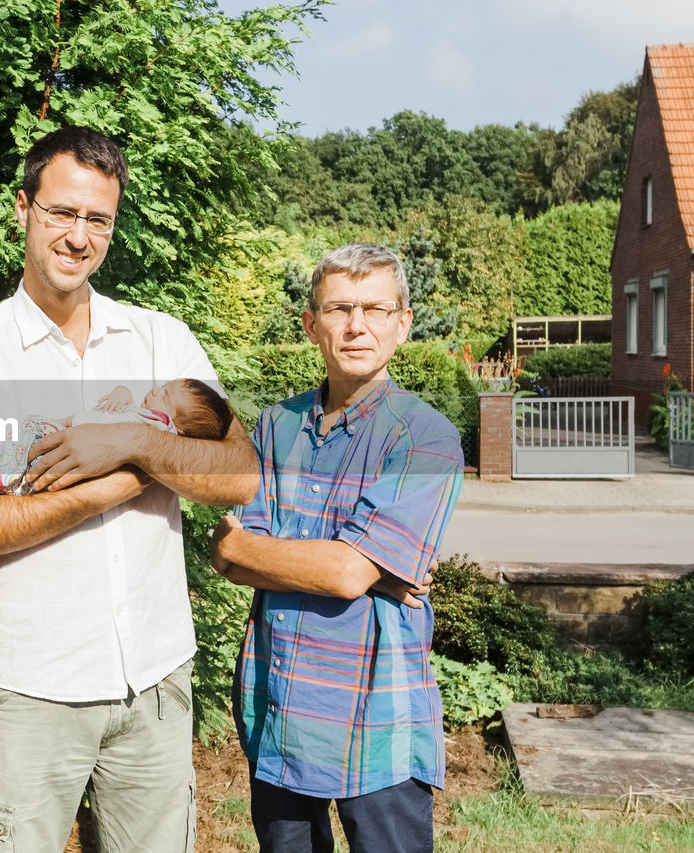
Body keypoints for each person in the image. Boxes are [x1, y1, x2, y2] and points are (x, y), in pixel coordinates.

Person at [0, 126, 260, 853]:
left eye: (97, 218)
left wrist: (131, 439)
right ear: (23, 209)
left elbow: (240, 475)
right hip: (31, 693)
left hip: (155, 686)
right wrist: (114, 484)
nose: (78, 236)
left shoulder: (159, 340)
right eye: (61, 213)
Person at [210, 242, 463, 853]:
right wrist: (366, 567)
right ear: (311, 324)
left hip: (377, 726)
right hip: (279, 713)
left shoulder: (426, 436)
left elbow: (343, 572)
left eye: (376, 309)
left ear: (403, 324)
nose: (357, 326)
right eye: (339, 308)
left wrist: (339, 566)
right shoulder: (274, 426)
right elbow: (225, 555)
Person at [0, 378, 234, 505]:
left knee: (36, 456)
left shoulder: (162, 431)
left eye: (165, 395)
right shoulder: (147, 415)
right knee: (30, 429)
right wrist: (122, 392)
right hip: (68, 432)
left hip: (75, 457)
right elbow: (108, 414)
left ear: (179, 428)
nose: (155, 389)